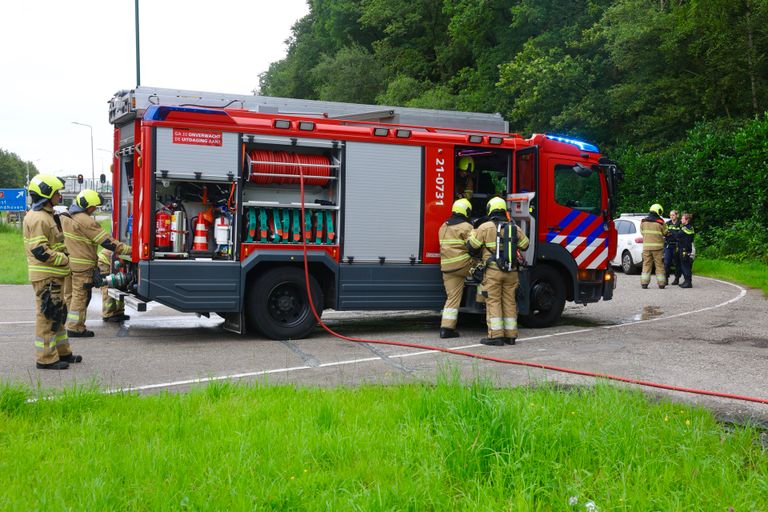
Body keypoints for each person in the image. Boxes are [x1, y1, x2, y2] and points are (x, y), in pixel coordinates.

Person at [23, 174, 81, 370]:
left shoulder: (47, 215)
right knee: (47, 316)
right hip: (46, 275)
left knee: (58, 314)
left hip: (53, 275)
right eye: (56, 192)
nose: (60, 195)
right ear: (46, 194)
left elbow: (52, 243)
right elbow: (39, 250)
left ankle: (63, 352)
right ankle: (46, 358)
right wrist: (64, 259)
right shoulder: (39, 218)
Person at [60, 189, 131, 337]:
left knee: (70, 295)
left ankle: (67, 323)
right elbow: (107, 241)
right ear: (86, 205)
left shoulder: (64, 217)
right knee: (81, 296)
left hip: (67, 264)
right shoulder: (85, 220)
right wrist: (129, 250)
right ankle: (75, 327)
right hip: (82, 267)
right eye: (93, 207)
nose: (94, 210)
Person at [467, 196, 529, 346]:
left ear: (490, 209)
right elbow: (525, 245)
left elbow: (472, 247)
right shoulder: (513, 227)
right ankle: (511, 335)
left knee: (493, 301)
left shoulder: (485, 227)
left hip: (493, 272)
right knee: (509, 301)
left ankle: (496, 336)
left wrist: (471, 235)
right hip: (511, 271)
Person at [438, 198, 474, 338]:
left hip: (447, 267)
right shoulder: (466, 227)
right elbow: (474, 246)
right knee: (489, 272)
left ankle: (446, 329)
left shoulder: (443, 227)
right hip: (463, 265)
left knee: (452, 297)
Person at [640, 203, 668, 289]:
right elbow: (665, 232)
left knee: (646, 265)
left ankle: (644, 283)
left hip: (646, 248)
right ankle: (661, 284)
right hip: (658, 248)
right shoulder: (661, 223)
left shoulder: (643, 222)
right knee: (659, 265)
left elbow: (642, 232)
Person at [98, 248, 130, 322]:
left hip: (110, 262)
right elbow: (121, 261)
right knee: (108, 286)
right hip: (103, 263)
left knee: (120, 285)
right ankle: (108, 314)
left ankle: (118, 312)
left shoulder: (125, 247)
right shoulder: (125, 250)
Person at [664, 210, 682, 285]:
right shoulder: (667, 223)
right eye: (670, 215)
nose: (671, 216)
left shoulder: (680, 224)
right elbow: (665, 233)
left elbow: (680, 235)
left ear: (677, 215)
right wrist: (673, 234)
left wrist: (672, 234)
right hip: (668, 245)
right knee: (667, 262)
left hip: (677, 246)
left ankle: (677, 278)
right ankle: (666, 278)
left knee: (677, 263)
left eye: (673, 215)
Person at [678, 212, 695, 288]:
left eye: (682, 218)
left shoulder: (686, 228)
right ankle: (686, 281)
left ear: (687, 219)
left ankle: (688, 282)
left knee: (685, 266)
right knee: (685, 264)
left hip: (685, 248)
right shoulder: (690, 227)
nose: (681, 219)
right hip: (686, 248)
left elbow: (678, 235)